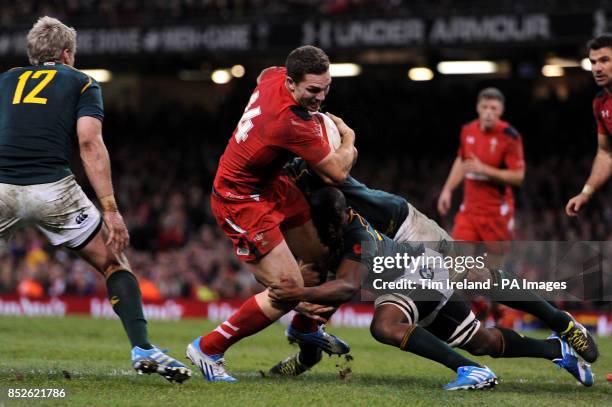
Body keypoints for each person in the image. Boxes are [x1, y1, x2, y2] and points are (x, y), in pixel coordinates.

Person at [0, 17, 191, 383]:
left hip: (2, 185)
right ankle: (143, 347)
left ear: (32, 53)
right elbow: (89, 142)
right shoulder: (82, 81)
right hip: (53, 188)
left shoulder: (5, 80)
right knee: (114, 262)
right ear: (67, 53)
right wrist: (111, 211)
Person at [268, 187, 594, 389]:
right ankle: (555, 350)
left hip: (414, 266)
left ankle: (474, 369)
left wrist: (299, 295)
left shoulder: (355, 233)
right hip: (409, 278)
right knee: (480, 340)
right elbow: (327, 283)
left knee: (386, 325)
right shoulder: (327, 230)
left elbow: (346, 286)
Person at [185, 45, 358, 381]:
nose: (321, 97)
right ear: (292, 84)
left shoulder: (274, 76)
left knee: (321, 255)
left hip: (271, 184)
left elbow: (264, 75)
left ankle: (305, 328)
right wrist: (349, 138)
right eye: (312, 90)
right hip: (240, 198)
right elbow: (337, 173)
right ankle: (208, 348)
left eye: (326, 88)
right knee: (289, 287)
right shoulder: (291, 122)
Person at [437, 88, 525, 242]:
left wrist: (484, 170)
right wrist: (447, 189)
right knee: (458, 262)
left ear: (501, 111)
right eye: (485, 107)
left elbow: (518, 177)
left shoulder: (510, 137)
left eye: (493, 108)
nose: (488, 112)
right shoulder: (467, 130)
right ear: (478, 108)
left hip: (496, 213)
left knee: (493, 265)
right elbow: (462, 159)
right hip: (469, 211)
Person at [566, 34, 612, 216]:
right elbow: (606, 153)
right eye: (593, 62)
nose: (597, 68)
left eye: (605, 60)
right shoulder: (600, 103)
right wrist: (586, 193)